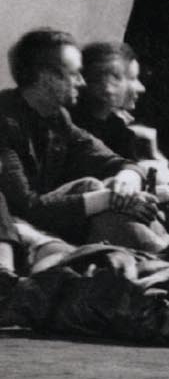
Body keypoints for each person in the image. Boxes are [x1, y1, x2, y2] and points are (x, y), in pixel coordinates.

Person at [0, 26, 149, 245]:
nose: (82, 82)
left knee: (97, 186)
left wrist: (128, 177)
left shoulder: (58, 118)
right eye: (74, 74)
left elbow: (108, 158)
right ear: (46, 78)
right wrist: (109, 199)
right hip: (18, 232)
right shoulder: (5, 121)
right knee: (97, 191)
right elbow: (26, 207)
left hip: (44, 223)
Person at [71, 42, 169, 255]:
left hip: (136, 207)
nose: (141, 88)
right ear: (106, 85)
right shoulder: (75, 129)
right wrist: (165, 193)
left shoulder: (117, 127)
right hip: (96, 217)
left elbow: (142, 172)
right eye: (133, 79)